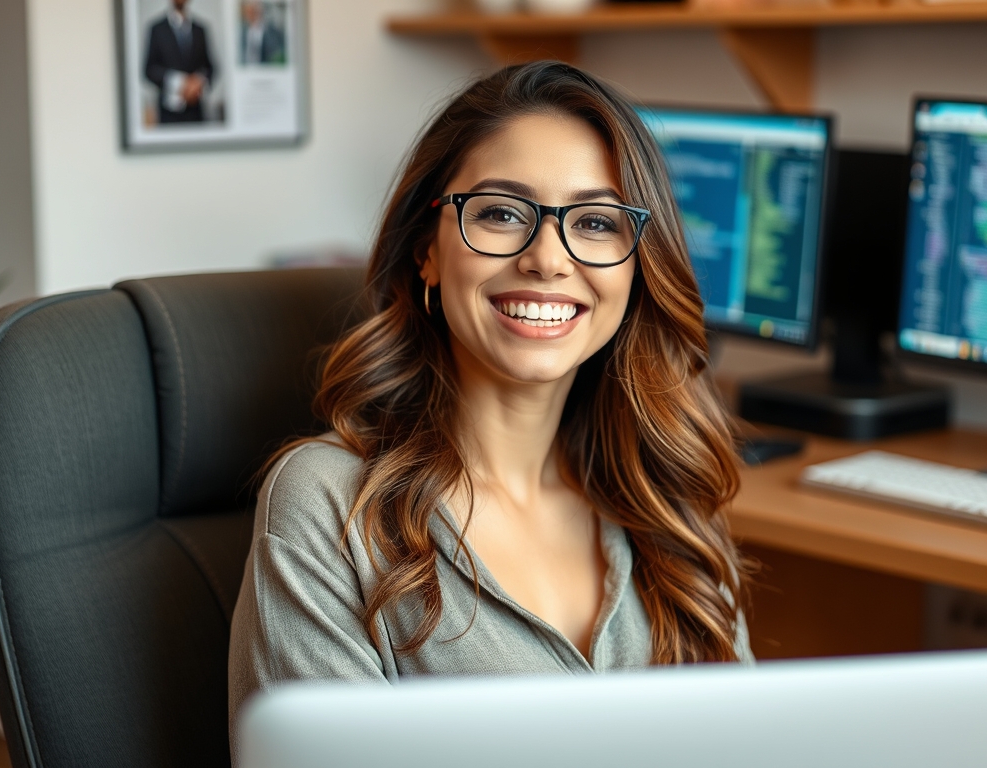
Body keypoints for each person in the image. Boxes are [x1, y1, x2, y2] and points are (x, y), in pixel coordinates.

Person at [228, 61, 751, 742]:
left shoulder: (667, 499)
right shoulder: (328, 504)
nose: (547, 258)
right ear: (428, 251)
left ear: (637, 264)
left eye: (595, 222)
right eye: (502, 213)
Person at [144, 0, 216, 124]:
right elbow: (149, 69)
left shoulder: (200, 30)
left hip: (196, 113)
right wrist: (180, 83)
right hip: (169, 114)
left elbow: (210, 67)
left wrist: (198, 83)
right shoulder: (157, 29)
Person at [240, 2, 286, 66]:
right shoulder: (242, 31)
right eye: (249, 12)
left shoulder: (271, 32)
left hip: (264, 70)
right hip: (246, 70)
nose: (251, 15)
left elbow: (274, 52)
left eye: (254, 11)